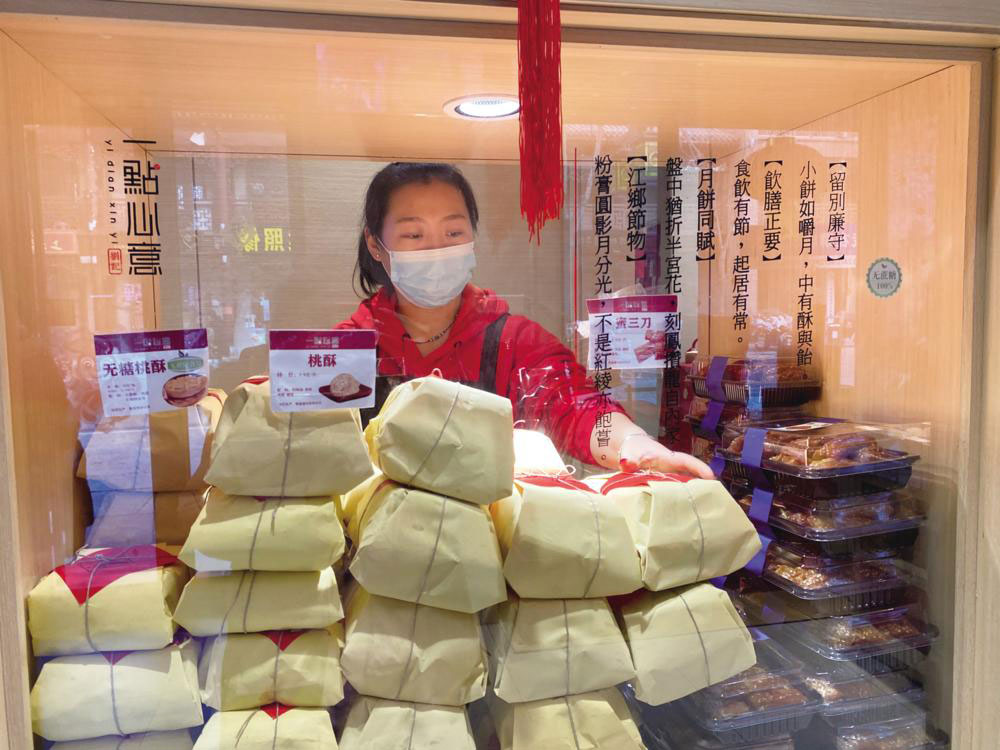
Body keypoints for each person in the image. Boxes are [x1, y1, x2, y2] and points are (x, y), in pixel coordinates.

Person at [336, 162, 713, 478]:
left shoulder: (514, 341)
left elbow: (575, 406)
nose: (437, 249)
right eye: (414, 234)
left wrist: (633, 443)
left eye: (453, 232)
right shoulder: (348, 349)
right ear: (375, 244)